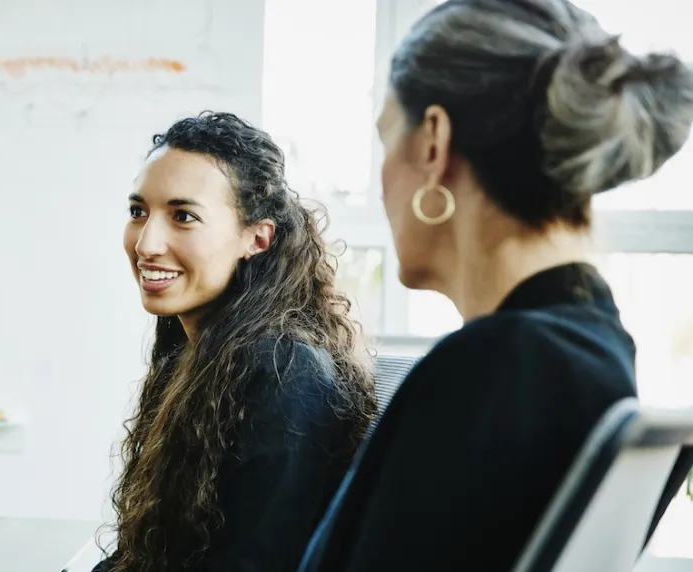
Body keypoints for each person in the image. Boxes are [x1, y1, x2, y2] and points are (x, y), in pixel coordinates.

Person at [297, 1, 693, 570]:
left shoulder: (494, 370)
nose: (381, 180)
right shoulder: (590, 345)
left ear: (433, 142)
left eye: (386, 139)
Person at [96, 112, 377, 572]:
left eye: (183, 216)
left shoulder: (287, 371)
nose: (146, 244)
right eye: (137, 212)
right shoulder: (194, 353)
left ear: (257, 238)